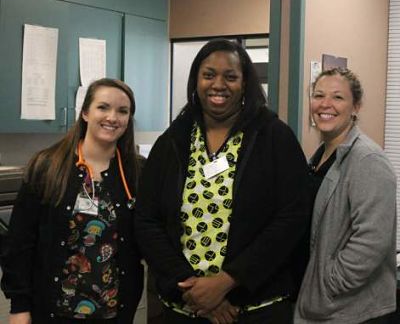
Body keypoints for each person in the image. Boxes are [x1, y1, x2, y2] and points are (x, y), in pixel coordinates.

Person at [135, 39, 310, 324]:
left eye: (230, 76)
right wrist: (193, 288)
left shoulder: (274, 137)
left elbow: (292, 217)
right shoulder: (173, 141)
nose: (219, 84)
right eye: (209, 75)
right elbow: (146, 220)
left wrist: (228, 281)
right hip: (184, 308)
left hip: (255, 310)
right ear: (196, 81)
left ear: (245, 84)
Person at [1, 78, 144, 324]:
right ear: (85, 112)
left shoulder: (138, 172)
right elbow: (20, 243)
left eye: (123, 111)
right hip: (55, 310)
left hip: (114, 312)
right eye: (103, 107)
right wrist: (19, 306)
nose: (113, 117)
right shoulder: (48, 166)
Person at [294, 68, 397, 324]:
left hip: (353, 311)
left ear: (356, 107)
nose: (325, 104)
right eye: (318, 95)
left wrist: (328, 283)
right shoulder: (318, 157)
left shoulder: (367, 160)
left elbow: (372, 239)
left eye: (338, 97)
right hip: (321, 307)